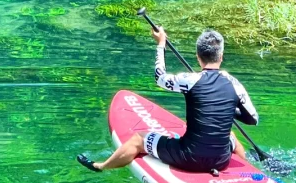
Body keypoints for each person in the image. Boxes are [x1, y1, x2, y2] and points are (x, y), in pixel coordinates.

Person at [77, 26, 258, 174]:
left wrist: (161, 44)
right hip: (221, 159)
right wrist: (227, 107)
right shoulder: (234, 83)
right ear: (221, 56)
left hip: (189, 157)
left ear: (197, 56)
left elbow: (160, 77)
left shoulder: (189, 80)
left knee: (138, 139)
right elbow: (252, 119)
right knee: (232, 137)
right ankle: (249, 172)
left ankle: (100, 166)